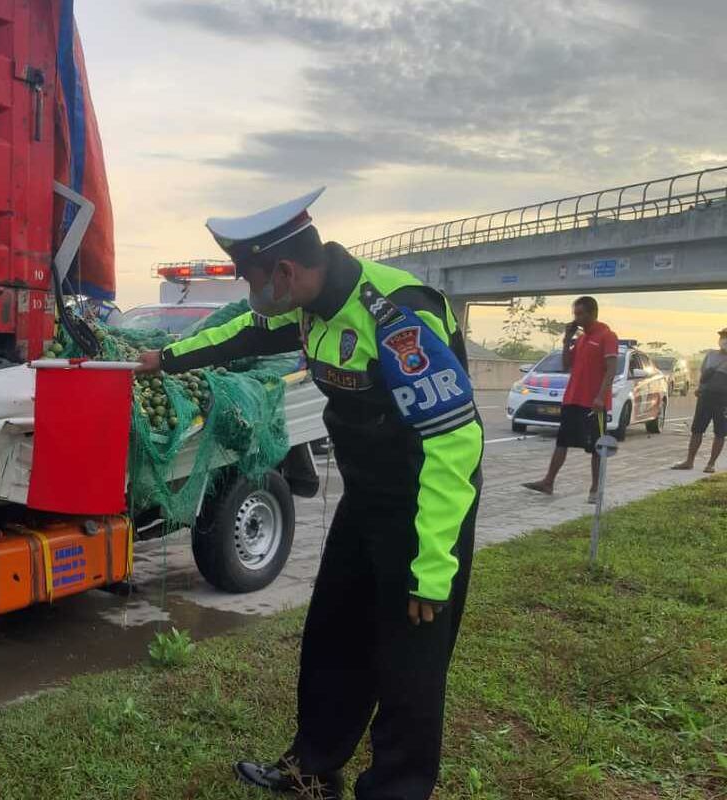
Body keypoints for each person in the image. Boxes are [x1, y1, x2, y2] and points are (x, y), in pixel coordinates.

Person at [137, 189, 483, 800]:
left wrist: (433, 566)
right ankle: (313, 770)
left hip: (425, 505)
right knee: (334, 634)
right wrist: (163, 358)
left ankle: (395, 790)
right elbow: (244, 333)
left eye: (249, 278)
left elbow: (454, 445)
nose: (251, 293)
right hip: (366, 499)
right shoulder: (309, 304)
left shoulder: (397, 316)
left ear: (285, 272)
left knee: (410, 663)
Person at [523, 297, 618, 503]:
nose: (577, 318)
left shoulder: (607, 336)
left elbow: (611, 369)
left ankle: (595, 489)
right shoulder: (582, 339)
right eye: (575, 314)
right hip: (572, 399)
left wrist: (601, 396)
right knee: (562, 441)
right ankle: (548, 481)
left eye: (581, 314)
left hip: (593, 403)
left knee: (596, 447)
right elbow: (567, 364)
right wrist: (567, 339)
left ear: (593, 313)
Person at [672, 328, 727, 473]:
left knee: (720, 432)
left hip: (723, 400)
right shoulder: (711, 355)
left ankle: (711, 464)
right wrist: (700, 388)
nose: (724, 339)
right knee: (697, 430)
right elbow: (703, 374)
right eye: (722, 336)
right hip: (706, 397)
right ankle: (689, 461)